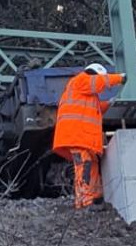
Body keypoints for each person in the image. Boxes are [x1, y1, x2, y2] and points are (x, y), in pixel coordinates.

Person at [53, 62, 126, 209]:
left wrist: (110, 103)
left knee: (91, 165)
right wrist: (120, 78)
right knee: (84, 166)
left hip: (82, 138)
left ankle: (94, 199)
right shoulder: (81, 80)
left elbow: (95, 109)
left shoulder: (85, 92)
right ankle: (85, 201)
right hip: (77, 136)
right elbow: (98, 82)